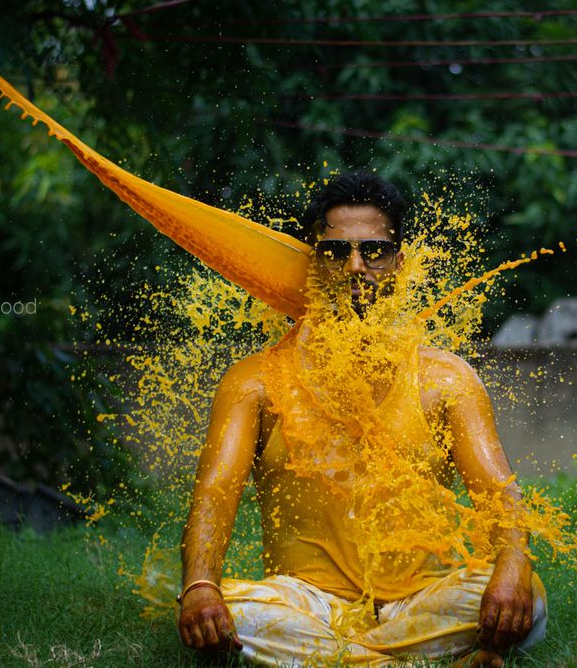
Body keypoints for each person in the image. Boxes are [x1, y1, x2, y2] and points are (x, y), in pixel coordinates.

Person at [177, 171, 547, 667]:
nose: (355, 266)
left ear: (400, 261)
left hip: (421, 599)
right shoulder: (255, 382)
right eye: (334, 253)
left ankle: (342, 661)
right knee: (234, 612)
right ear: (314, 265)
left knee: (526, 596)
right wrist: (200, 587)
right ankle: (397, 662)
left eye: (374, 250)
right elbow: (215, 493)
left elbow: (500, 492)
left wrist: (513, 564)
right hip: (309, 603)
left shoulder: (447, 379)